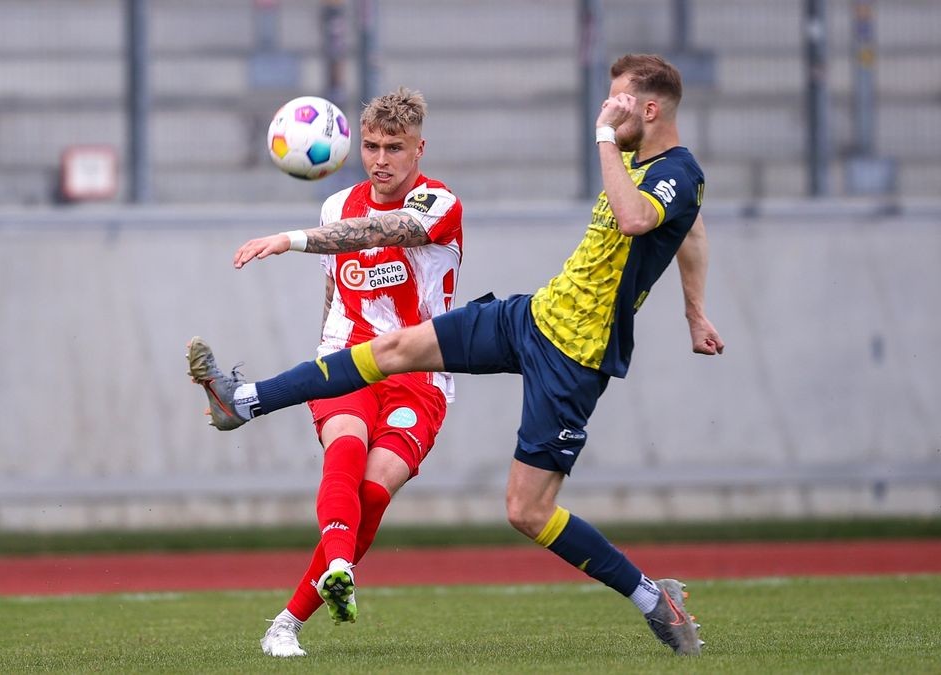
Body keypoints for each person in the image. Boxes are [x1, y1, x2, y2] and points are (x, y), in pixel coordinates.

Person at [188, 54, 722, 656]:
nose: (609, 110)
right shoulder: (637, 162)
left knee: (527, 510)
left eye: (619, 101)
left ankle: (654, 598)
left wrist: (603, 133)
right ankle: (244, 400)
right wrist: (694, 310)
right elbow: (691, 229)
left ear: (648, 110)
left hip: (577, 355)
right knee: (388, 347)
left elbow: (637, 218)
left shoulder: (673, 169)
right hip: (534, 316)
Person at [203, 87, 464, 657]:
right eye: (370, 146)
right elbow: (334, 287)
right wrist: (325, 360)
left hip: (421, 374)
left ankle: (289, 618)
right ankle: (333, 574)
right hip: (347, 359)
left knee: (373, 491)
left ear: (420, 149)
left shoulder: (438, 204)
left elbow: (382, 232)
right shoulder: (334, 205)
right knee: (345, 447)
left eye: (394, 147)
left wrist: (288, 239)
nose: (380, 159)